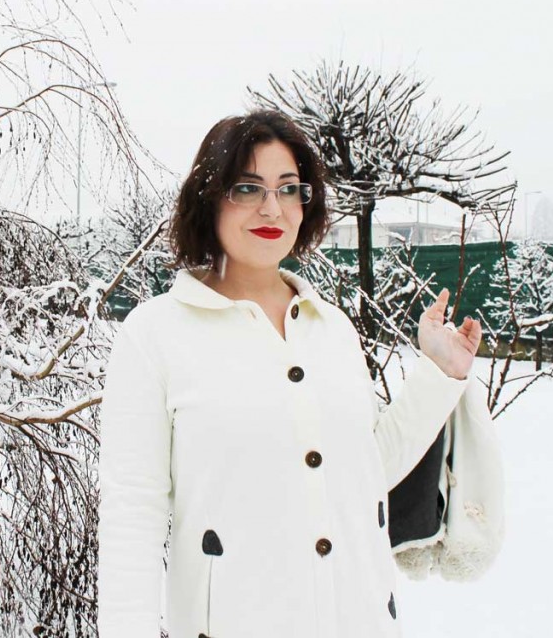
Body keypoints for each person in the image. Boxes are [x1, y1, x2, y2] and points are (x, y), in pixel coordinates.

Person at [95, 109, 483, 638]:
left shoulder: (331, 327)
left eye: (288, 188)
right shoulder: (156, 334)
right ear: (209, 197)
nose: (271, 207)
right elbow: (132, 513)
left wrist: (440, 373)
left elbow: (366, 469)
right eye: (247, 188)